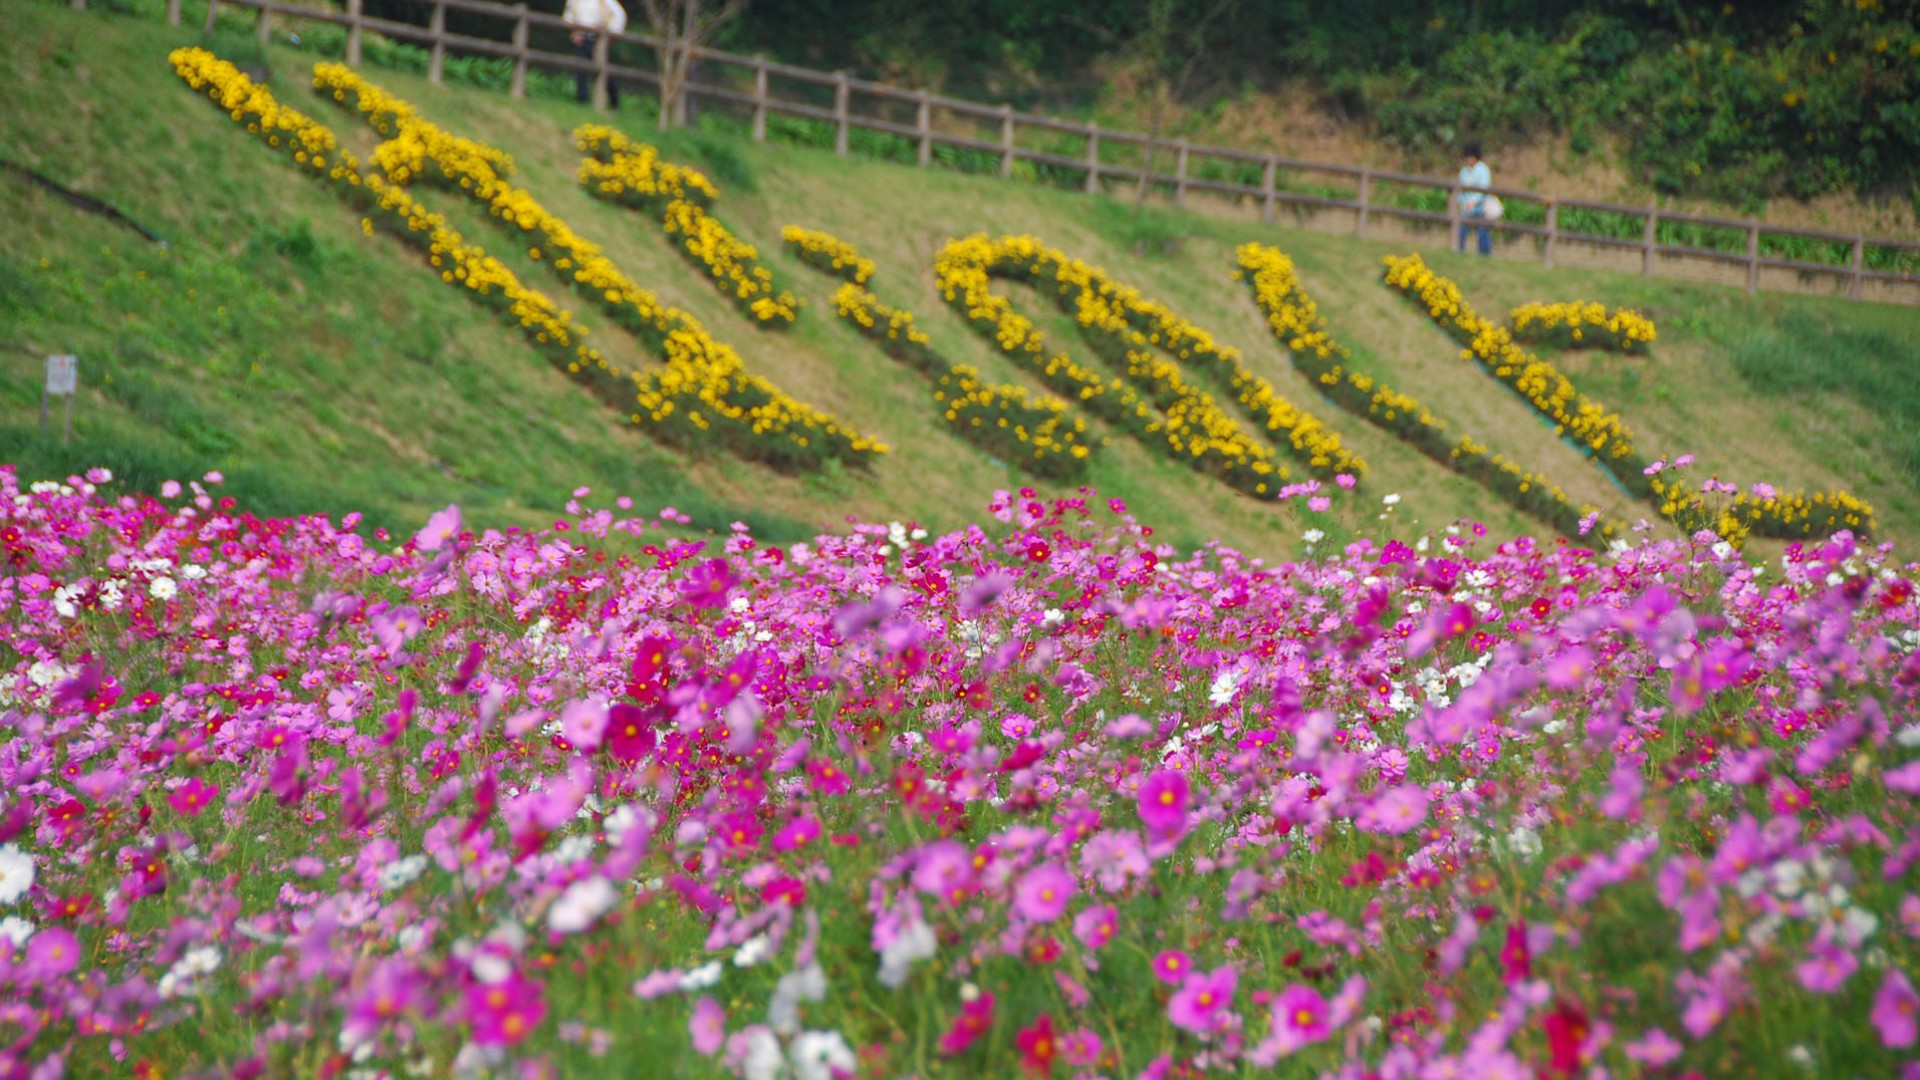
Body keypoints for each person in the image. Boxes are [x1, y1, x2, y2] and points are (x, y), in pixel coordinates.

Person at [564, 0, 627, 109]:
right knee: (580, 69)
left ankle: (614, 101)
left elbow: (619, 14)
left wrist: (611, 34)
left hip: (598, 40)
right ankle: (582, 101)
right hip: (582, 38)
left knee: (604, 72)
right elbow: (568, 16)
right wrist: (575, 33)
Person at [1457, 143, 1493, 256]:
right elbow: (1460, 189)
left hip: (1480, 206)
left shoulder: (1483, 170)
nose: (1469, 159)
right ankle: (1459, 250)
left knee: (1483, 232)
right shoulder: (1463, 172)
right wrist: (1462, 202)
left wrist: (1473, 201)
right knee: (1461, 229)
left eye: (1471, 157)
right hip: (1466, 206)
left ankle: (1484, 254)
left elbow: (1483, 189)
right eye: (1467, 157)